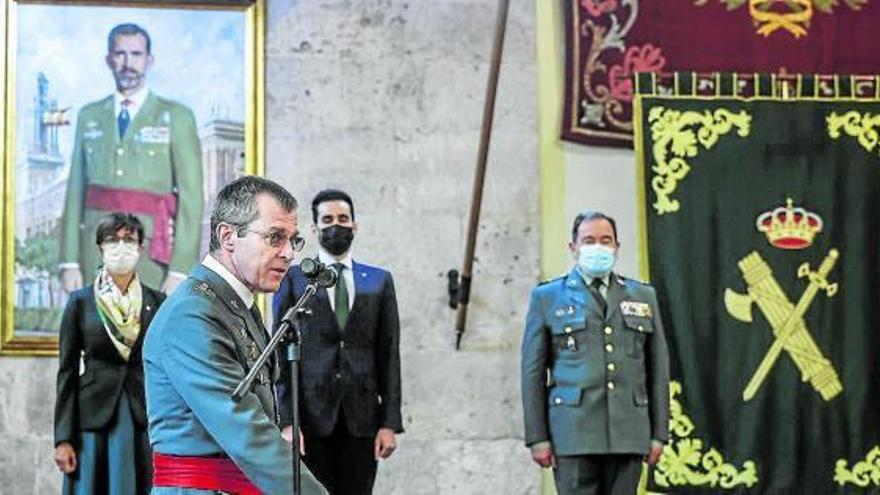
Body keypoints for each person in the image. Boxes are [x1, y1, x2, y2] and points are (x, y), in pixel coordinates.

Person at [143, 176, 326, 494]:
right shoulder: (192, 313)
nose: (289, 254)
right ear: (227, 236)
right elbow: (247, 432)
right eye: (274, 237)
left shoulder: (231, 303)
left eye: (292, 241)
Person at [520, 211, 670, 495]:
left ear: (616, 247)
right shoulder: (548, 297)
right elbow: (532, 373)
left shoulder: (642, 296)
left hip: (629, 431)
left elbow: (658, 369)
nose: (598, 247)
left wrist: (659, 433)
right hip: (573, 432)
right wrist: (537, 437)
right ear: (573, 248)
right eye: (588, 241)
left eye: (606, 240)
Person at [273, 188, 403, 494]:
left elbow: (389, 353)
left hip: (362, 420)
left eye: (343, 219)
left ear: (354, 225)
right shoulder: (294, 279)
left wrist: (389, 423)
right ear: (315, 228)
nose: (336, 225)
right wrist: (288, 421)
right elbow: (280, 352)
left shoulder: (379, 280)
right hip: (310, 420)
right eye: (328, 219)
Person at [60, 22, 203, 295]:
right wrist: (69, 262)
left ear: (149, 60)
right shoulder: (89, 116)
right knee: (95, 321)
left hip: (149, 255)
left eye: (136, 54)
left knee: (148, 322)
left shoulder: (177, 117)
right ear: (109, 59)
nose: (128, 63)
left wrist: (180, 269)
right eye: (120, 54)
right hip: (95, 250)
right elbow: (75, 191)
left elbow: (191, 198)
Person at [54, 212, 166, 495]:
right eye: (112, 239)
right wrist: (63, 439)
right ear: (100, 247)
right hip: (92, 419)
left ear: (140, 247)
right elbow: (67, 372)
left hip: (143, 417)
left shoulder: (158, 302)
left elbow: (166, 370)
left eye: (129, 239)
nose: (121, 246)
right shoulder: (80, 302)